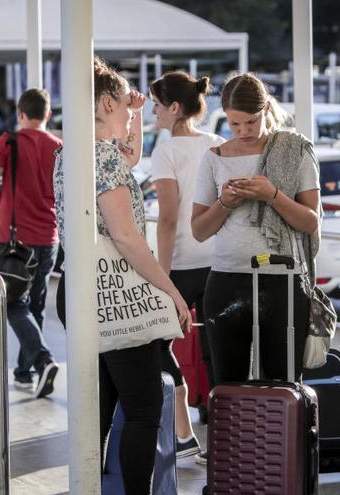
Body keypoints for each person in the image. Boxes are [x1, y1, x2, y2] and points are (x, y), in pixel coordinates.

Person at [54, 58, 190, 495]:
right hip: (117, 293)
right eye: (126, 109)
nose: (133, 115)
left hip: (80, 291)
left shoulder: (70, 150)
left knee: (98, 408)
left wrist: (129, 118)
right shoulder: (102, 156)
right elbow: (128, 239)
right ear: (106, 102)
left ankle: (87, 487)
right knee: (143, 408)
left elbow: (126, 156)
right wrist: (171, 292)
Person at [191, 72, 321, 405]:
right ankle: (236, 455)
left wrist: (272, 194)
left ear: (266, 110)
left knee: (282, 386)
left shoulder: (294, 150)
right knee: (227, 385)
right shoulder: (214, 157)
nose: (244, 132)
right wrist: (225, 202)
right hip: (226, 278)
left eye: (251, 122)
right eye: (235, 125)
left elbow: (310, 221)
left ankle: (281, 455)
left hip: (282, 281)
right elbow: (200, 230)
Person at [149, 71, 225, 461]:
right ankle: (224, 441)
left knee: (157, 343)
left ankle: (183, 433)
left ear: (175, 108)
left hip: (179, 265)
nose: (153, 111)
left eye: (158, 105)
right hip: (219, 264)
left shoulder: (166, 149)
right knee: (217, 354)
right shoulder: (217, 145)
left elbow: (166, 218)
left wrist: (161, 276)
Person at [0, 88, 61, 399]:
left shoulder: (8, 142)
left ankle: (43, 360)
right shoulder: (58, 146)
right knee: (35, 305)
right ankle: (25, 373)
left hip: (14, 241)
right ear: (48, 114)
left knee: (13, 304)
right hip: (47, 239)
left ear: (21, 114)